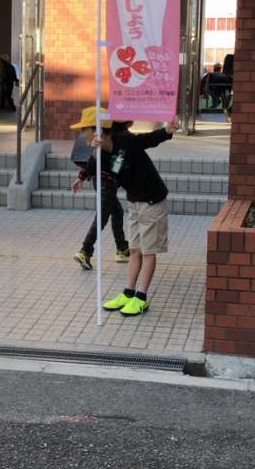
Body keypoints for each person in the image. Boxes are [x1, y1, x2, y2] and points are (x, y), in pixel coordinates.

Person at [101, 117, 180, 316]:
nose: (84, 137)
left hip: (152, 200)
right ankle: (128, 293)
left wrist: (167, 131)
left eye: (87, 131)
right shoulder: (105, 152)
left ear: (103, 133)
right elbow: (109, 172)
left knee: (148, 251)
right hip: (134, 201)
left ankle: (141, 298)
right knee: (135, 249)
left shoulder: (125, 141)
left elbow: (146, 140)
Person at [71, 107, 130, 270]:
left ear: (97, 129)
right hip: (106, 184)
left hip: (105, 183)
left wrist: (82, 177)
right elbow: (97, 162)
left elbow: (114, 164)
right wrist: (81, 177)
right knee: (102, 217)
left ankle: (122, 248)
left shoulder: (111, 141)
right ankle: (85, 251)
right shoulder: (101, 143)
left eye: (85, 129)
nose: (83, 134)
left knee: (117, 211)